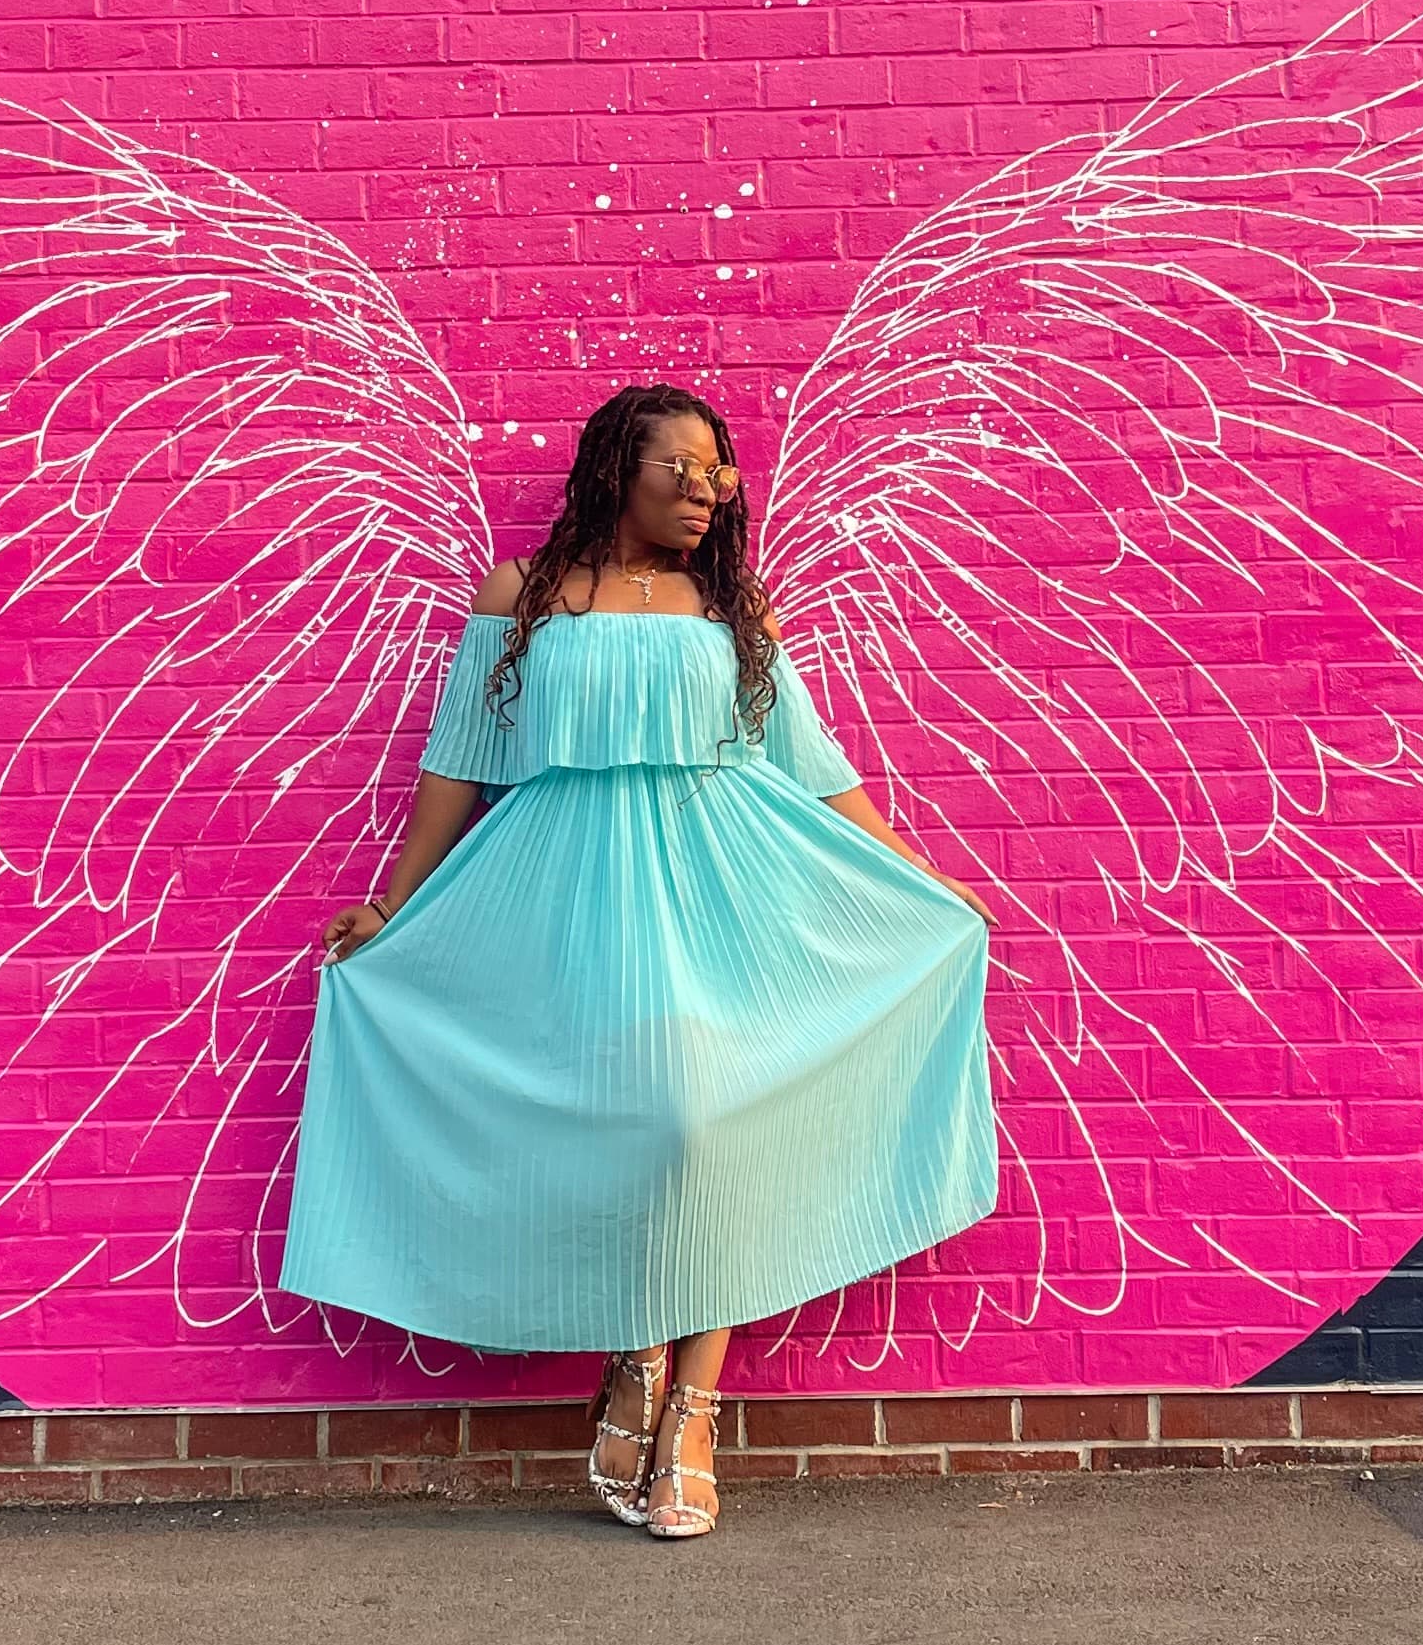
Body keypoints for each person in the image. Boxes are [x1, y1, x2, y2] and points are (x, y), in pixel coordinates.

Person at [277, 383, 997, 1539]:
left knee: (700, 1124)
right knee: (627, 1126)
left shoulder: (730, 605)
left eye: (719, 472)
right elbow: (459, 764)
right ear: (619, 468)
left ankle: (693, 1398)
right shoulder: (523, 596)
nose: (706, 490)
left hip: (724, 889)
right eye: (682, 467)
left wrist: (918, 876)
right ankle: (638, 1360)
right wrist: (393, 909)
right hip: (562, 897)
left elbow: (809, 760)